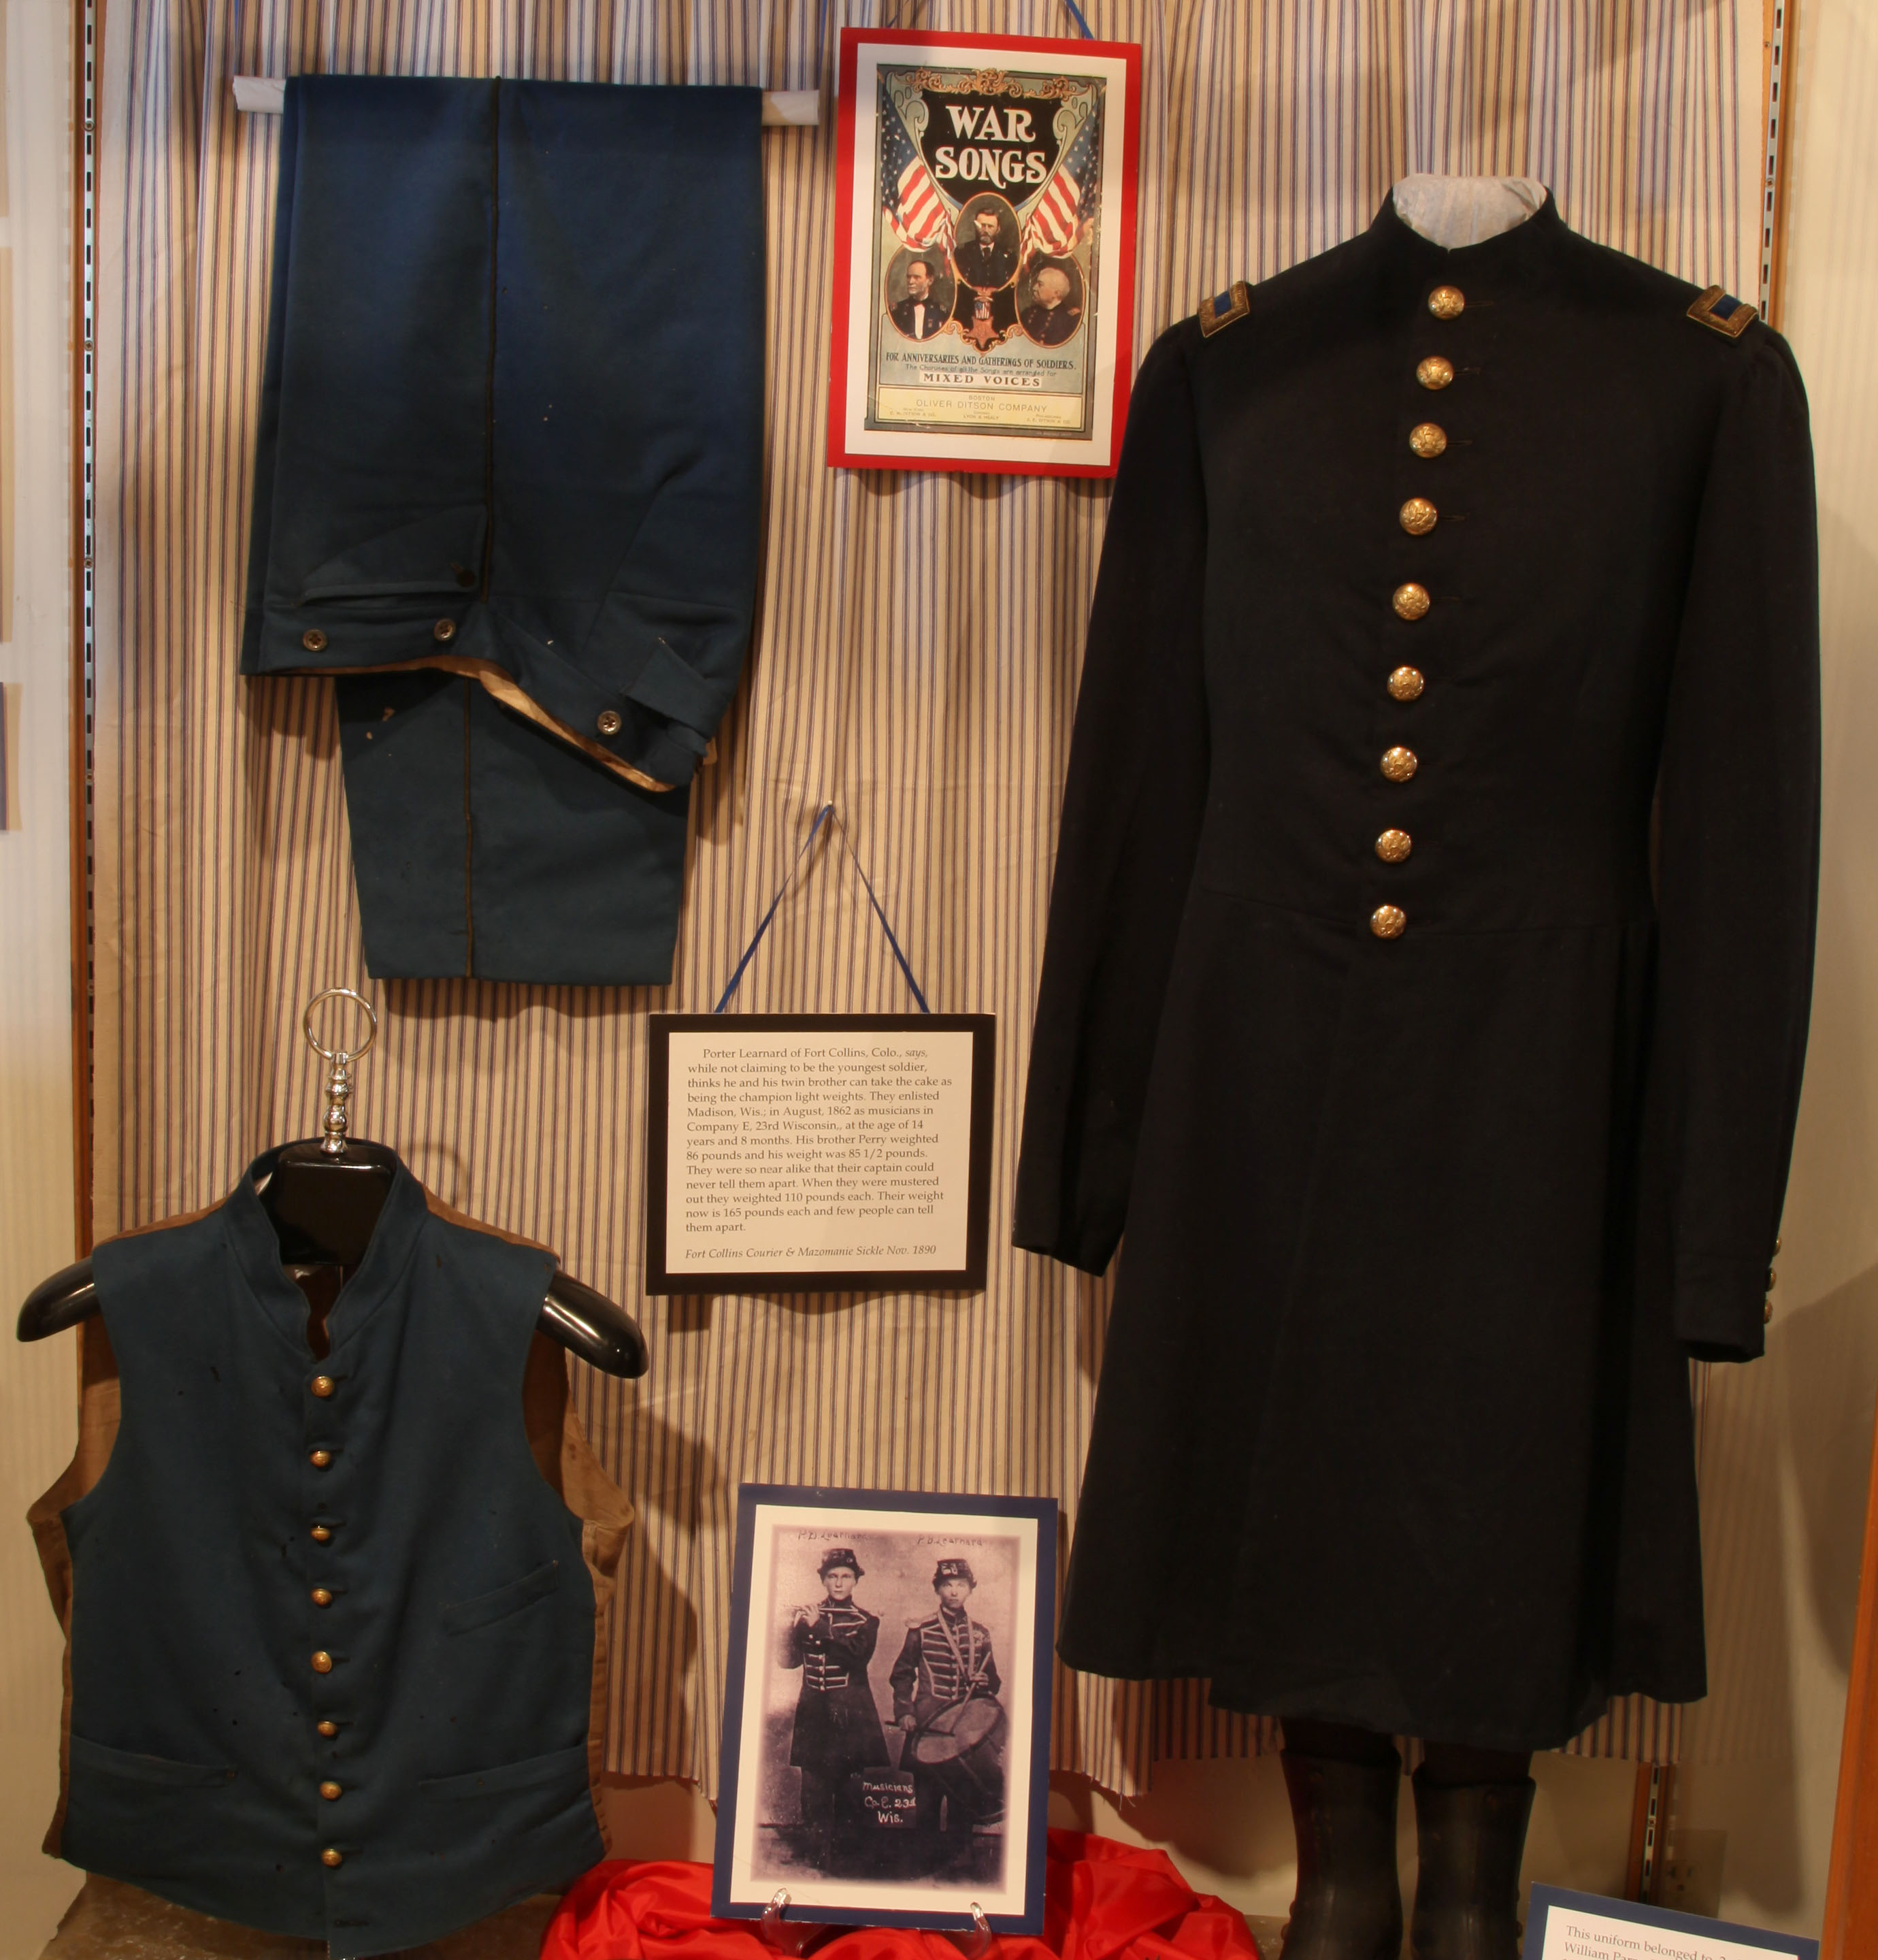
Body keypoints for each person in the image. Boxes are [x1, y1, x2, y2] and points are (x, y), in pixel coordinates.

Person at [889, 1558, 1005, 1835]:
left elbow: (994, 1683)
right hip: (928, 1728)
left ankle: (958, 1857)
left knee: (963, 1808)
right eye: (947, 1585)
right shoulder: (921, 1630)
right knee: (926, 1805)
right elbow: (902, 1676)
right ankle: (926, 1858)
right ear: (937, 1590)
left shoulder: (981, 1634)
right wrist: (905, 1712)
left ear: (970, 1589)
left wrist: (985, 1682)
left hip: (966, 1732)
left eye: (961, 1585)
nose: (954, 1591)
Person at [782, 1548, 890, 1835]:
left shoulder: (866, 1621)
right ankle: (815, 1854)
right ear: (823, 1581)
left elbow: (857, 1657)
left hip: (850, 1716)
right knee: (813, 1790)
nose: (839, 1583)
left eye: (846, 1576)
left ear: (856, 1581)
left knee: (849, 1793)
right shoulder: (808, 1615)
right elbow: (788, 1662)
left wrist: (819, 1626)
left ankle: (845, 1856)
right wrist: (787, 1627)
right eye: (832, 1576)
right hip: (813, 1715)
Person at [952, 208, 1015, 291]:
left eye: (990, 227)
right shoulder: (963, 253)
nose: (986, 230)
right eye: (982, 226)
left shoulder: (1009, 256)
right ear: (975, 226)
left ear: (998, 229)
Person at [1020, 265, 1081, 345]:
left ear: (1056, 293)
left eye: (1040, 285)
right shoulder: (1027, 314)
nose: (1034, 288)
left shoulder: (1071, 319)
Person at [891, 259, 947, 340]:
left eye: (917, 277)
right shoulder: (897, 311)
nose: (911, 282)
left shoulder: (941, 313)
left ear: (930, 281)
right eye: (909, 277)